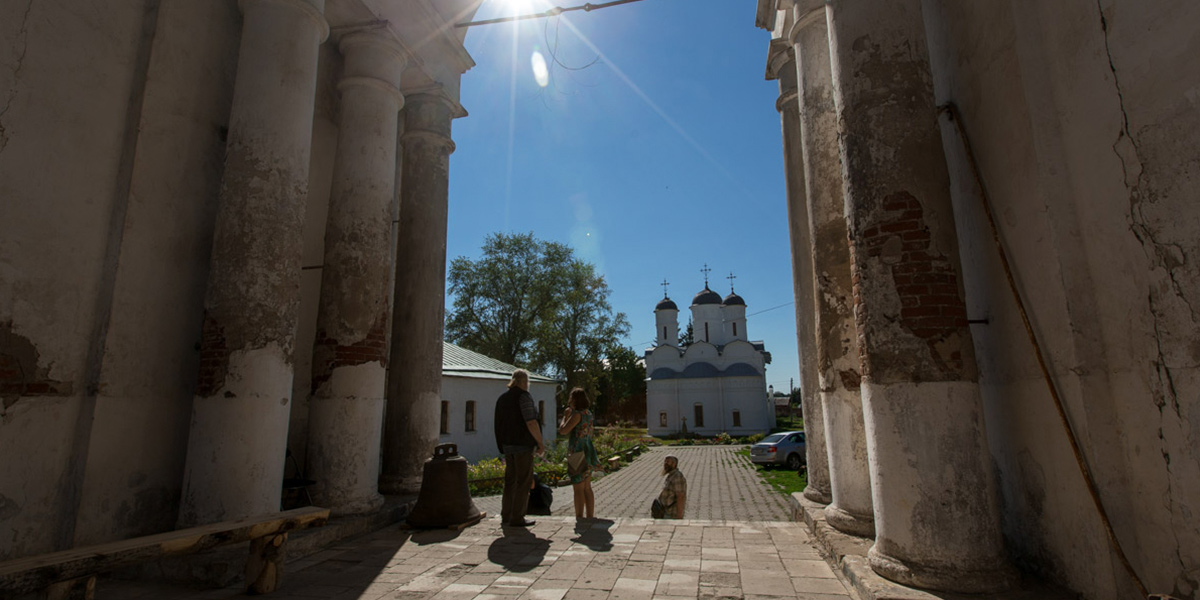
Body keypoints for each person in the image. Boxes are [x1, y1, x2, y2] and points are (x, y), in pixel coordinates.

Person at [494, 369, 545, 527]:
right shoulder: (524, 397)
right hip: (522, 445)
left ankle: (506, 514)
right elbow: (531, 422)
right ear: (523, 382)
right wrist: (540, 442)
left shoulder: (502, 398)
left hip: (507, 445)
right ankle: (517, 517)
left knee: (510, 481)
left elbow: (498, 423)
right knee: (523, 481)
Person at [558, 387, 600, 520]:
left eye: (571, 398)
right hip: (588, 450)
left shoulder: (577, 415)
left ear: (575, 400)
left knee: (578, 487)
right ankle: (590, 516)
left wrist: (565, 416)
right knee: (587, 486)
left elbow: (563, 431)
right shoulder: (588, 413)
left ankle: (580, 517)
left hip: (577, 452)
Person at [656, 455, 686, 519]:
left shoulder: (677, 477)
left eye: (668, 462)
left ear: (674, 464)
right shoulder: (671, 475)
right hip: (664, 511)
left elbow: (680, 496)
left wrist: (679, 515)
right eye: (665, 462)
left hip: (671, 513)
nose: (665, 464)